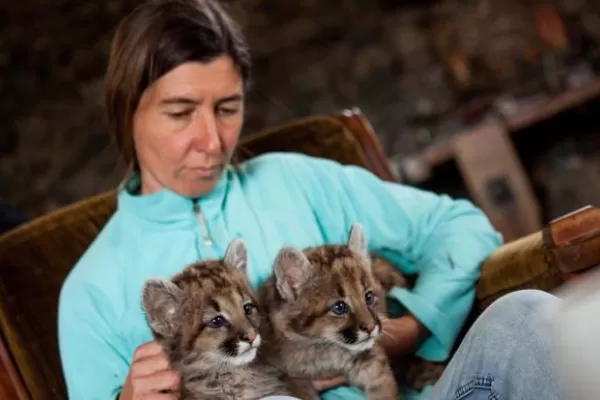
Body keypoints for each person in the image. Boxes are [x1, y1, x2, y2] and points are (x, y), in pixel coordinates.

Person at [57, 0, 569, 399]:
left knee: (526, 318)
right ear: (128, 111)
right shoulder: (90, 293)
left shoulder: (294, 180)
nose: (213, 141)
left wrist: (408, 330)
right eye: (180, 112)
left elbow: (459, 226)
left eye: (228, 108)